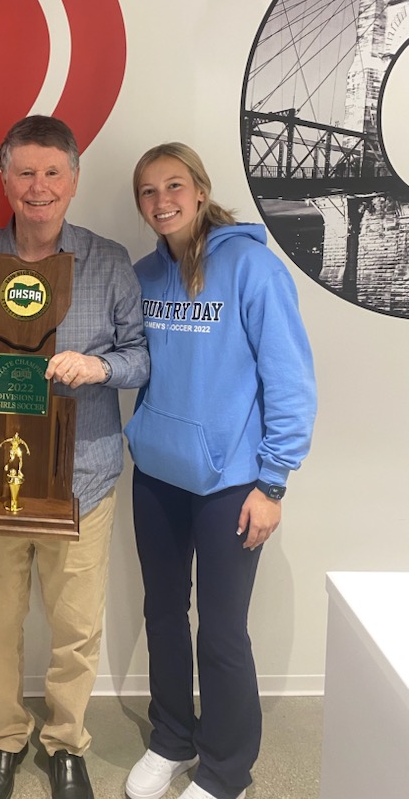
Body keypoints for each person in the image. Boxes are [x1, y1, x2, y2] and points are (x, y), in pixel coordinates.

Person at [0, 115, 150, 799]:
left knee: (75, 628)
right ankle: (4, 736)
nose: (38, 186)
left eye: (52, 172)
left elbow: (142, 357)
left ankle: (64, 743)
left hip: (84, 479)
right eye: (24, 172)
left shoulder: (109, 261)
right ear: (3, 178)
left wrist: (99, 368)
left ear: (75, 180)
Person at [123, 143, 316, 799]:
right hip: (156, 474)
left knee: (223, 631)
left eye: (174, 186)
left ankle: (227, 768)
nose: (162, 201)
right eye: (147, 192)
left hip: (231, 483)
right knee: (162, 615)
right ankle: (172, 738)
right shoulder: (145, 277)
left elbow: (290, 381)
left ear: (200, 191)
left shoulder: (253, 269)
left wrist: (273, 482)